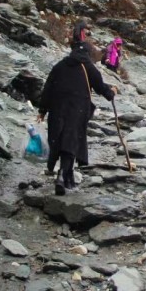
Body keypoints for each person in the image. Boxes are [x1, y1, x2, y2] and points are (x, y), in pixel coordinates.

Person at [38, 24, 117, 195]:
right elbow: (100, 85)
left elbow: (48, 88)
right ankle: (63, 176)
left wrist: (42, 110)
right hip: (77, 111)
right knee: (71, 142)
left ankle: (62, 175)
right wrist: (111, 93)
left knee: (57, 140)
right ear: (87, 53)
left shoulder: (60, 66)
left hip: (58, 109)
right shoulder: (88, 66)